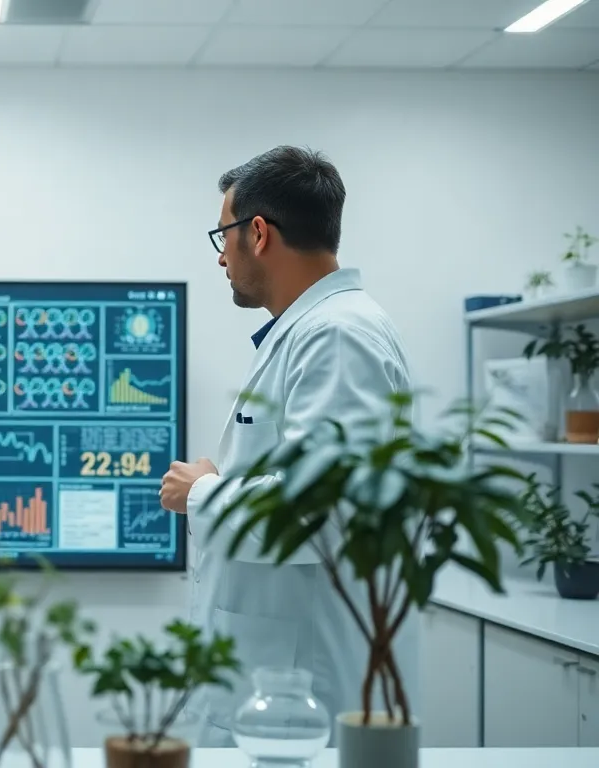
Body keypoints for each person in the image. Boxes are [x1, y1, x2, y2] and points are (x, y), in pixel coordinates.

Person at [158, 146, 420, 745]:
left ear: (257, 232)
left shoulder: (337, 338)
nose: (221, 257)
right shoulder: (314, 332)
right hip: (277, 675)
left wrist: (201, 493)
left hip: (302, 689)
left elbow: (319, 514)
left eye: (224, 235)